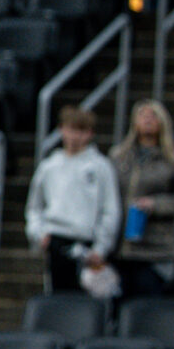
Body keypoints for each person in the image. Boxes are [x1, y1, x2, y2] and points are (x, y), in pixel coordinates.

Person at [26, 105, 120, 297]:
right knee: (57, 299)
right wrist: (39, 233)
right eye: (71, 129)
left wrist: (101, 247)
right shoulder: (49, 166)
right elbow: (35, 207)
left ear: (90, 133)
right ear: (61, 129)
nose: (75, 136)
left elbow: (111, 209)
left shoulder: (101, 166)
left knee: (88, 303)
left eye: (81, 130)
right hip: (56, 240)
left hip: (88, 244)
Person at [111, 99, 174, 300]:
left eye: (153, 115)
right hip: (119, 248)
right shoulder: (118, 156)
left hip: (154, 249)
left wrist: (155, 205)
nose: (147, 119)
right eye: (142, 115)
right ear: (134, 122)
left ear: (163, 122)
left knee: (145, 308)